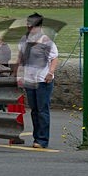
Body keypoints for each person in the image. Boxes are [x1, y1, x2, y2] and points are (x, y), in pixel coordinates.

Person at [16, 13, 58, 149]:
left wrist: (50, 73)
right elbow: (21, 58)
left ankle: (42, 139)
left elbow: (54, 58)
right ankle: (36, 137)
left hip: (42, 80)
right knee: (34, 110)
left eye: (32, 24)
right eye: (28, 24)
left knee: (42, 109)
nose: (29, 27)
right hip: (29, 79)